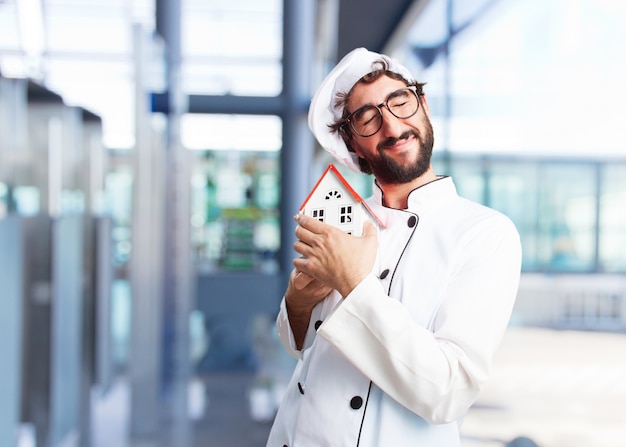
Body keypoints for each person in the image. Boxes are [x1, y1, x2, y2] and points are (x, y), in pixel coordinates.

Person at [266, 47, 522, 447]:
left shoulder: (485, 233)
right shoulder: (342, 218)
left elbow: (448, 392)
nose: (392, 125)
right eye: (367, 118)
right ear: (352, 144)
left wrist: (352, 282)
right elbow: (300, 348)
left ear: (423, 105)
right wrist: (297, 303)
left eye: (400, 101)